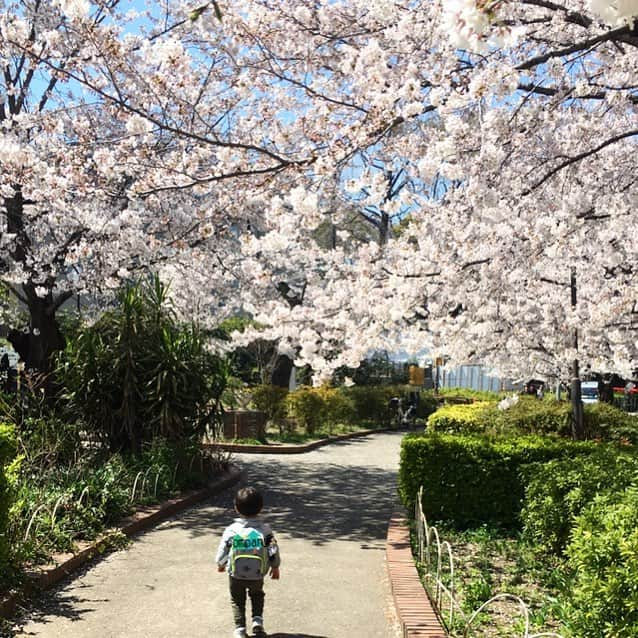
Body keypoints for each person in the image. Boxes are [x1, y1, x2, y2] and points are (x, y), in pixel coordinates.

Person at [216, 486, 281, 638]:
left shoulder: (232, 530)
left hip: (235, 574)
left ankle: (240, 629)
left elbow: (224, 550)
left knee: (237, 600)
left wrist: (221, 564)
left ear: (236, 508)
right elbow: (273, 549)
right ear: (261, 508)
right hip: (257, 574)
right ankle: (257, 621)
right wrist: (275, 566)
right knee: (257, 595)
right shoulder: (265, 531)